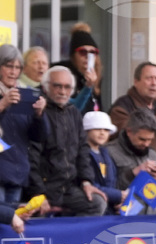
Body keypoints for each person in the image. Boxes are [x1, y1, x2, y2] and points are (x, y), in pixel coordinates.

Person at [27, 66, 106, 216]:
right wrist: (38, 193)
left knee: (97, 203)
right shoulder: (37, 112)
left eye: (67, 87)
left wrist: (86, 182)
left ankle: (81, 239)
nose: (63, 92)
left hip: (69, 188)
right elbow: (32, 158)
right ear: (45, 87)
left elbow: (83, 151)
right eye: (57, 86)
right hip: (43, 188)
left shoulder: (74, 113)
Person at [108, 61, 156, 185]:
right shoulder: (123, 106)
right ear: (136, 81)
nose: (153, 83)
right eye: (149, 78)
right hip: (129, 180)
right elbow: (119, 133)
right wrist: (154, 120)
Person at [0, 44, 47, 205]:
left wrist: (39, 116)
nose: (13, 72)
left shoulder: (24, 94)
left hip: (17, 172)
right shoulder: (6, 98)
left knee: (11, 226)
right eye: (9, 66)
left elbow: (38, 137)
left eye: (17, 67)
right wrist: (3, 104)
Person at [107, 108, 156, 203]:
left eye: (150, 140)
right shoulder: (109, 152)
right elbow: (107, 189)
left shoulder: (152, 154)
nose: (146, 144)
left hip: (152, 214)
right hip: (126, 215)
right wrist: (133, 173)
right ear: (129, 132)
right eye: (142, 139)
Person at [82, 111, 124, 213]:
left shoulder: (106, 153)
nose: (102, 132)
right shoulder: (82, 154)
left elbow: (113, 182)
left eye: (106, 130)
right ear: (86, 130)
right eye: (97, 129)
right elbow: (91, 185)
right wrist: (118, 195)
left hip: (110, 208)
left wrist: (119, 200)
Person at [54, 23, 102, 113]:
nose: (88, 56)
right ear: (74, 55)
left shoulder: (96, 76)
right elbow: (72, 109)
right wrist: (88, 86)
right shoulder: (65, 75)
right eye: (83, 52)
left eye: (92, 52)